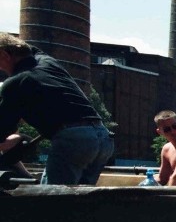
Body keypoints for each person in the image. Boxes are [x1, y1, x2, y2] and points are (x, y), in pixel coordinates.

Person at [0, 32, 113, 185]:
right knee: (83, 201)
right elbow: (32, 49)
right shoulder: (48, 62)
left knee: (51, 201)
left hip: (73, 141)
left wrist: (16, 139)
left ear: (4, 55)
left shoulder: (15, 83)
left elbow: (3, 128)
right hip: (102, 137)